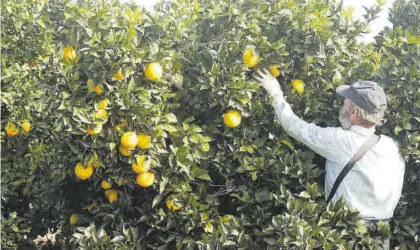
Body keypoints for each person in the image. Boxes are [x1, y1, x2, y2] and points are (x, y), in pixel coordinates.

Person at [252, 69, 405, 249]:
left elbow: (295, 126)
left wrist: (275, 91)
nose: (342, 106)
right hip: (381, 236)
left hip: (348, 233)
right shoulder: (391, 146)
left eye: (345, 104)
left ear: (354, 112)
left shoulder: (342, 141)